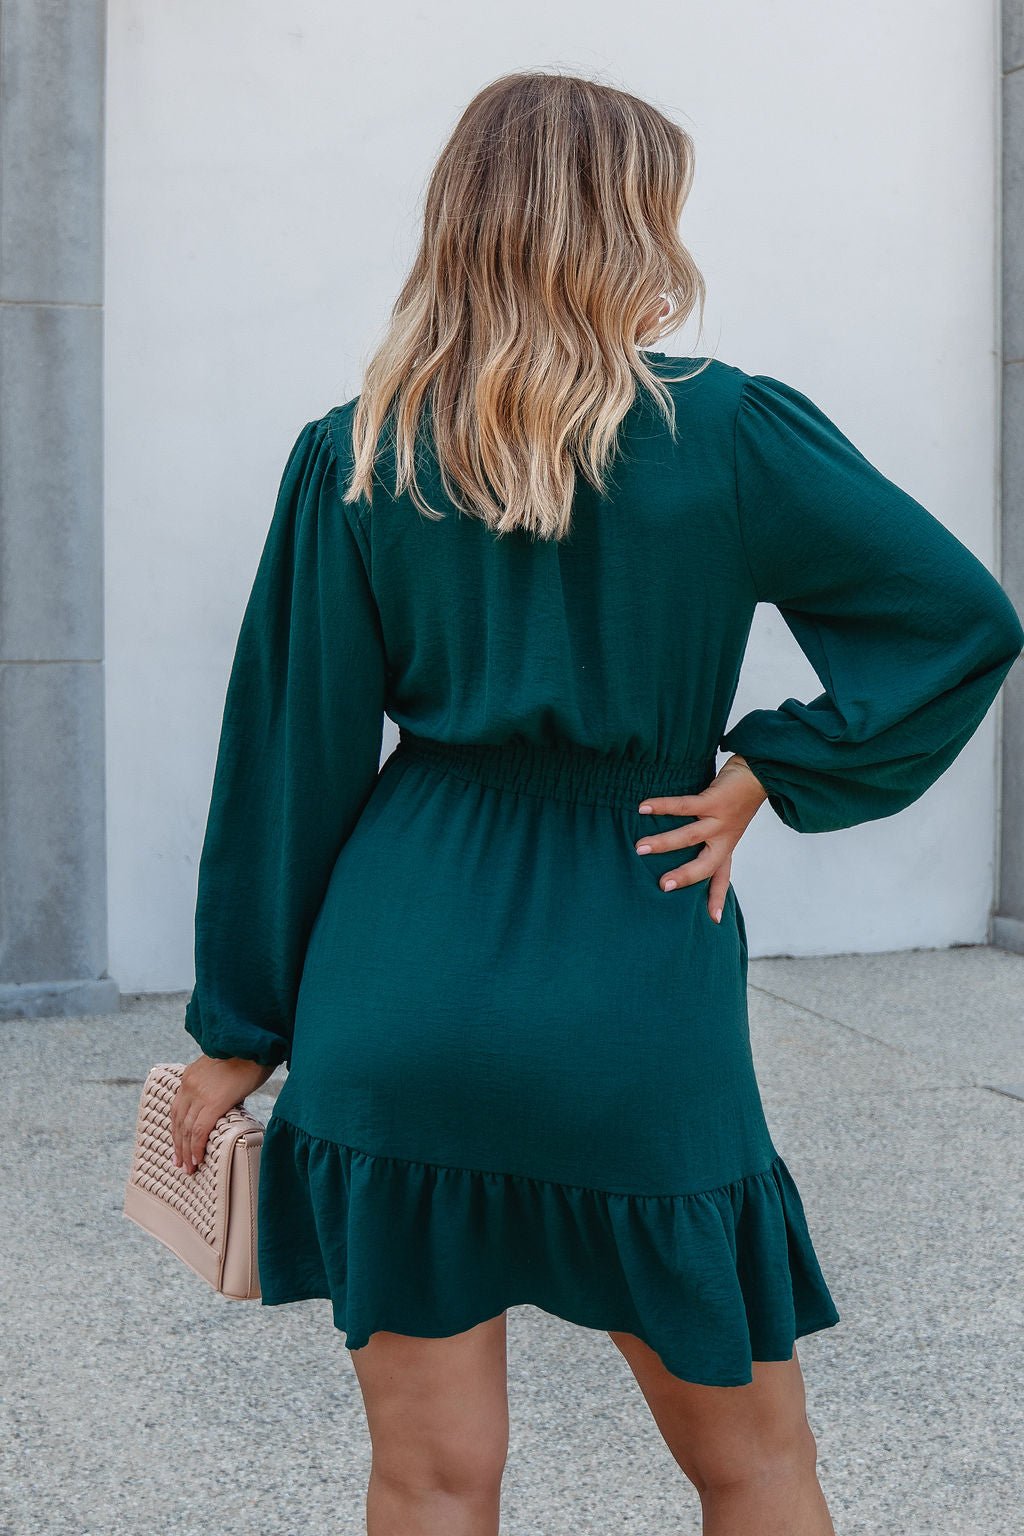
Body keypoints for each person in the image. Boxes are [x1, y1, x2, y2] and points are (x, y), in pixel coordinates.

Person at [169, 69, 1024, 1536]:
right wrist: (772, 768)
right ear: (628, 224)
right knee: (754, 1466)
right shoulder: (731, 432)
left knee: (431, 1477)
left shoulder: (355, 451)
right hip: (631, 956)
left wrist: (238, 1032)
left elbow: (286, 757)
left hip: (402, 973)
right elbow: (961, 619)